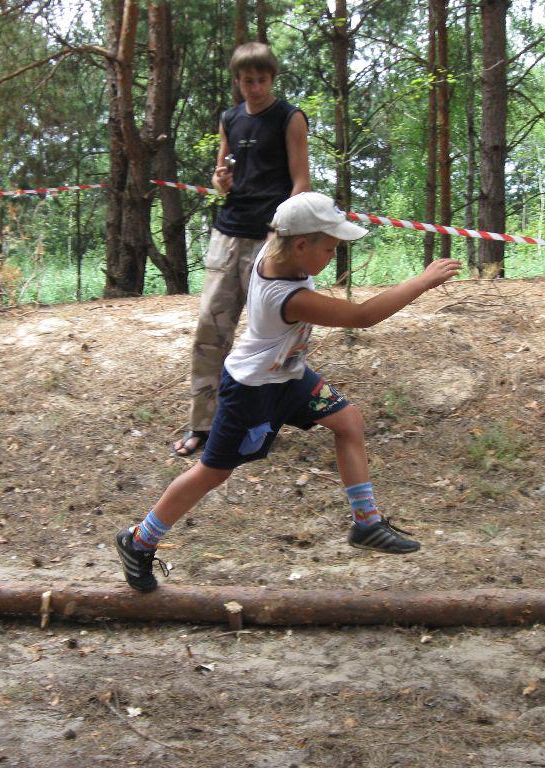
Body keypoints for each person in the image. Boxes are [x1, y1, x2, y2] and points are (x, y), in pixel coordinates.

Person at [118, 192, 462, 591]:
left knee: (348, 421)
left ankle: (367, 523)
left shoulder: (277, 248)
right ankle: (139, 540)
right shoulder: (287, 296)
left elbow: (284, 218)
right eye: (330, 248)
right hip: (252, 390)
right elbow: (362, 316)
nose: (334, 255)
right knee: (213, 472)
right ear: (300, 246)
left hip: (289, 376)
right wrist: (421, 281)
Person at [173, 41, 311, 457]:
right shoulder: (229, 119)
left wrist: (280, 232)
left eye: (262, 80)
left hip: (270, 238)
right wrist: (220, 181)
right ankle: (203, 424)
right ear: (237, 80)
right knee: (209, 330)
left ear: (272, 78)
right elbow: (222, 177)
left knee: (274, 335)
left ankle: (266, 421)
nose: (255, 87)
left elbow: (301, 181)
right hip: (227, 233)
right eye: (247, 80)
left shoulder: (289, 117)